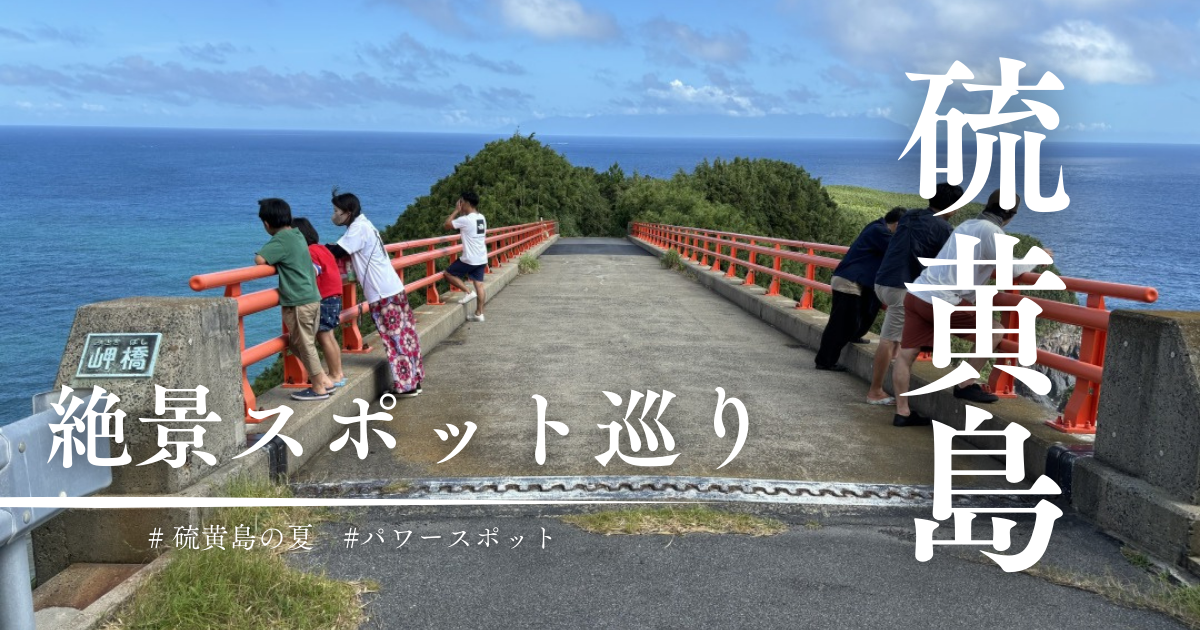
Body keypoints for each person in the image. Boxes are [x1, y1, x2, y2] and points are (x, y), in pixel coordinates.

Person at [891, 190, 1052, 427]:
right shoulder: (992, 232)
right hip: (942, 299)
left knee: (905, 356)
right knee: (995, 330)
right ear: (1010, 214)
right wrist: (1038, 257)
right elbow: (1012, 270)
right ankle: (965, 384)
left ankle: (902, 413)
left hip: (917, 293)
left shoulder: (968, 224)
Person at [867, 182, 964, 405]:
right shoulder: (944, 229)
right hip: (901, 288)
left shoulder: (910, 215)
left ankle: (887, 387)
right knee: (889, 341)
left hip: (882, 281)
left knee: (900, 339)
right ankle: (875, 391)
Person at [326, 189, 424, 397]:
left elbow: (337, 252)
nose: (334, 215)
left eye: (336, 211)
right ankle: (414, 380)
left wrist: (314, 250)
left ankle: (406, 387)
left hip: (382, 293)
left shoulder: (358, 229)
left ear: (348, 212)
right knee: (406, 337)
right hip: (392, 288)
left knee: (394, 339)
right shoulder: (365, 225)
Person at [253, 198, 337, 401]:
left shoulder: (281, 240)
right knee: (295, 343)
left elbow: (260, 260)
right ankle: (323, 380)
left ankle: (318, 387)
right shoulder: (297, 234)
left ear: (266, 224)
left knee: (304, 344)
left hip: (299, 301)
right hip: (312, 297)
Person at [814, 207, 905, 372]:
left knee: (857, 314)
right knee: (840, 324)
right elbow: (898, 252)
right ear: (898, 224)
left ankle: (853, 336)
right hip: (849, 281)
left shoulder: (876, 226)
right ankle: (825, 361)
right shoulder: (881, 232)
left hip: (852, 279)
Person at [292, 217, 346, 389]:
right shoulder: (322, 248)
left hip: (324, 297)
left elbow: (314, 271)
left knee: (323, 337)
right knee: (329, 336)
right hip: (335, 296)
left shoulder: (309, 252)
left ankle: (335, 374)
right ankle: (338, 373)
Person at [443, 191, 488, 322]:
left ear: (467, 203)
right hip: (481, 257)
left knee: (447, 274)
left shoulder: (465, 220)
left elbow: (446, 225)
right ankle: (479, 314)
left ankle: (468, 293)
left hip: (470, 258)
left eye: (461, 202)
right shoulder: (481, 217)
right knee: (479, 285)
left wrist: (456, 211)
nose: (460, 204)